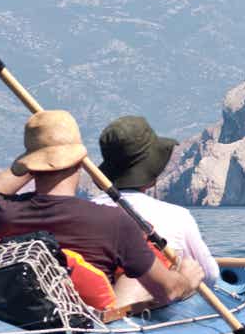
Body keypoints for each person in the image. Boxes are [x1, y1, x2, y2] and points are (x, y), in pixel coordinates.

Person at [0, 109, 204, 314]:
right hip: (89, 322)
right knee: (137, 274)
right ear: (81, 160)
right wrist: (186, 278)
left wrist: (34, 158)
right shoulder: (114, 222)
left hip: (22, 315)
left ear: (29, 164)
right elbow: (169, 290)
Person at [87, 115, 221, 285]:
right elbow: (210, 275)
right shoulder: (177, 216)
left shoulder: (86, 211)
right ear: (151, 172)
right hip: (159, 302)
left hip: (106, 301)